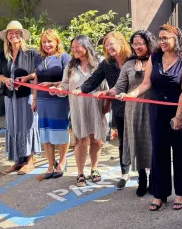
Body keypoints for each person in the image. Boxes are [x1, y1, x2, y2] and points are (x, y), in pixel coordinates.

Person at [119, 24, 182, 212]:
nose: (161, 42)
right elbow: (146, 83)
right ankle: (160, 195)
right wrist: (131, 94)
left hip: (179, 110)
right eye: (159, 38)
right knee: (159, 153)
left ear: (176, 39)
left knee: (180, 153)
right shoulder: (155, 57)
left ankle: (181, 193)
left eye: (165, 38)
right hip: (157, 111)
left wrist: (178, 116)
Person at [74, 31, 132, 188]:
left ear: (121, 42)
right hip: (119, 107)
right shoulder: (107, 63)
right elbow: (95, 79)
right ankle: (125, 173)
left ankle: (145, 173)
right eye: (106, 45)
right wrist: (82, 89)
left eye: (111, 44)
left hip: (138, 107)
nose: (108, 48)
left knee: (141, 140)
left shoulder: (133, 58)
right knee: (124, 141)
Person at [51, 35, 108, 187]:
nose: (75, 50)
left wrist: (106, 102)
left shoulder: (99, 63)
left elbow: (107, 84)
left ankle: (94, 169)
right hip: (78, 107)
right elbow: (64, 84)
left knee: (97, 139)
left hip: (97, 105)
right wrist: (58, 89)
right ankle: (80, 173)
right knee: (81, 139)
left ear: (87, 46)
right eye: (73, 47)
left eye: (78, 46)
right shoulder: (70, 66)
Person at [109, 30, 156, 197]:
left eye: (140, 44)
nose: (137, 47)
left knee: (153, 144)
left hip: (153, 109)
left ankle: (155, 179)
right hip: (134, 110)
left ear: (148, 44)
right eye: (134, 44)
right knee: (138, 143)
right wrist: (108, 92)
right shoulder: (129, 64)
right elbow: (120, 87)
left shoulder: (157, 60)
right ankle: (142, 178)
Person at [0, 20, 41, 175]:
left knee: (28, 125)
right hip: (10, 96)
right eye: (11, 33)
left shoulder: (32, 52)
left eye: (17, 32)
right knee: (14, 125)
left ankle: (29, 160)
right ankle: (18, 160)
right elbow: (0, 74)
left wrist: (26, 78)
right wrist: (6, 80)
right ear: (7, 36)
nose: (14, 35)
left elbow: (40, 73)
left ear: (21, 35)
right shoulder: (4, 54)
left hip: (26, 95)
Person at [32, 29, 72, 179]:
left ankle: (62, 162)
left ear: (57, 42)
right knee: (46, 131)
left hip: (59, 99)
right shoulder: (39, 58)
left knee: (61, 131)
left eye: (50, 41)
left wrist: (52, 84)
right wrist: (34, 99)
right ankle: (50, 163)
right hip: (42, 100)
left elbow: (68, 80)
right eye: (44, 42)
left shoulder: (64, 57)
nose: (47, 44)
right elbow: (36, 78)